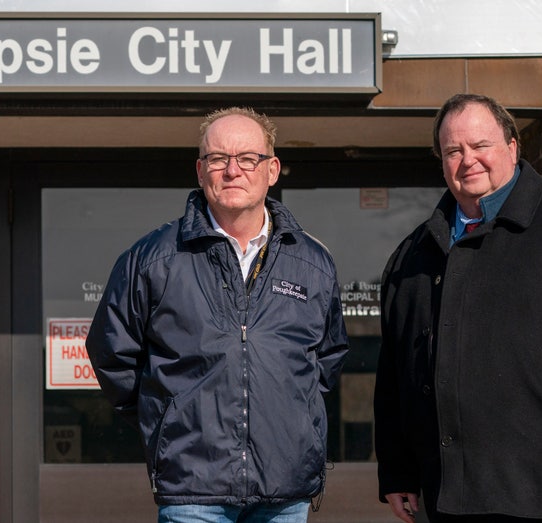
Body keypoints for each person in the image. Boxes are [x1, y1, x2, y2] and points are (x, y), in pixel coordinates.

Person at [374, 93, 542, 523]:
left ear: (512, 147)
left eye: (480, 145)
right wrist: (397, 469)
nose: (468, 161)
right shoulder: (414, 254)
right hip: (449, 496)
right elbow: (394, 374)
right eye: (453, 151)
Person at [86, 106, 349, 522]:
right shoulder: (153, 259)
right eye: (217, 159)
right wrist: (171, 417)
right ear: (199, 170)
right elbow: (111, 353)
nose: (232, 170)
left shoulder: (312, 264)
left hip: (285, 490)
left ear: (272, 169)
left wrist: (291, 416)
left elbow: (327, 359)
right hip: (192, 489)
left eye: (248, 159)